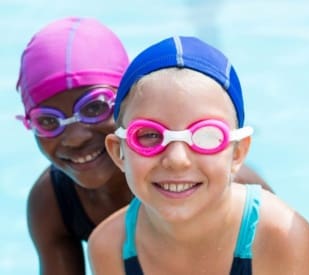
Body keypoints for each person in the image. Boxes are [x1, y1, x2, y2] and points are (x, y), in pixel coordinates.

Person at [16, 17, 272, 275]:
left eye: (95, 107)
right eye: (47, 120)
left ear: (131, 106)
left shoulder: (232, 186)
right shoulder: (52, 203)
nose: (75, 138)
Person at [87, 35, 309, 275]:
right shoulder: (109, 246)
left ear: (237, 152)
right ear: (118, 151)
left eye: (205, 136)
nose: (177, 160)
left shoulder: (280, 236)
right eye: (150, 135)